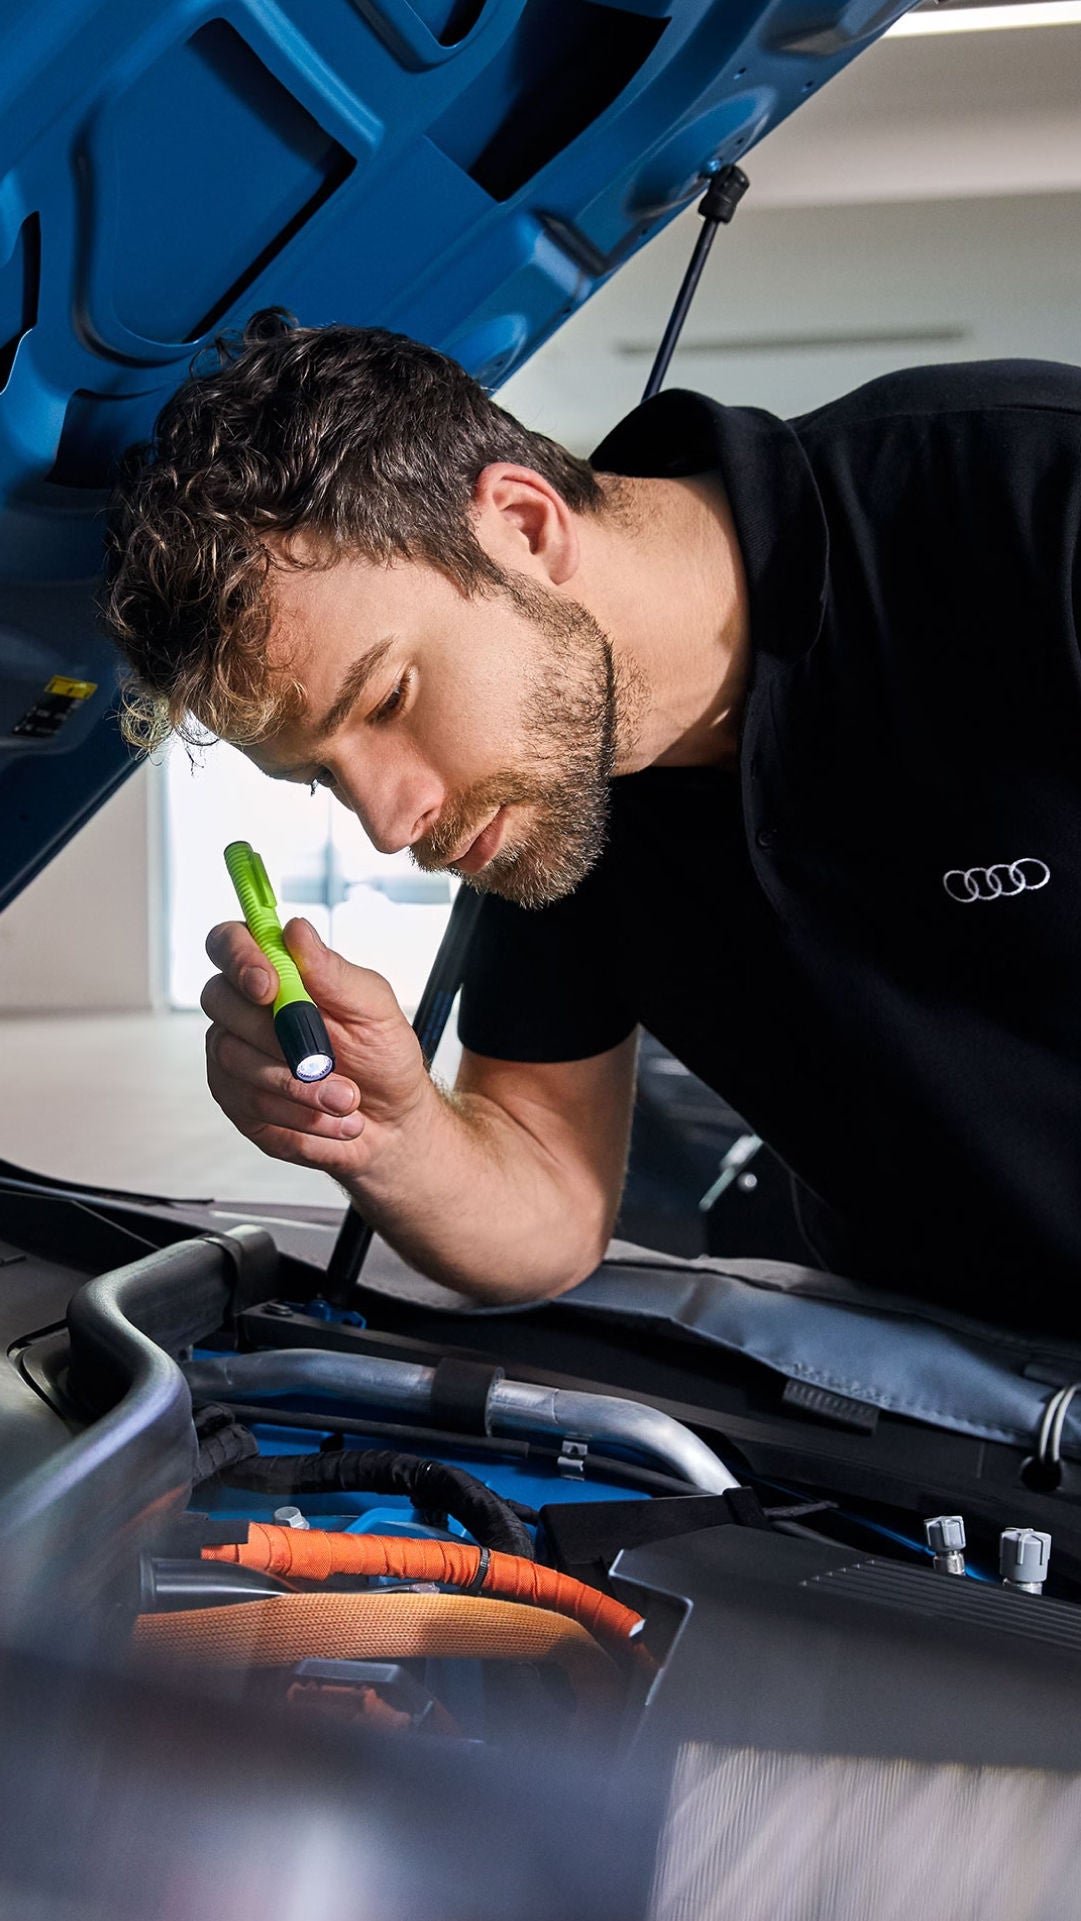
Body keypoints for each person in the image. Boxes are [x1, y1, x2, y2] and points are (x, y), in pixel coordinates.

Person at [102, 308, 1081, 1329]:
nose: (390, 825)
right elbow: (550, 1210)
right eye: (323, 779)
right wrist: (392, 1133)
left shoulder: (1033, 497)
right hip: (949, 1380)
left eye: (388, 698)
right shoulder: (552, 783)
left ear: (525, 524)